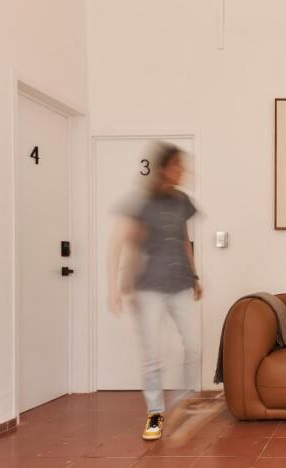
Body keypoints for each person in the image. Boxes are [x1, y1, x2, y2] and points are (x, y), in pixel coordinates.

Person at [107, 143, 202, 441]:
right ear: (164, 168)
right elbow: (119, 243)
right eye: (178, 165)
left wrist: (195, 276)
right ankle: (155, 413)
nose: (183, 171)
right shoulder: (140, 202)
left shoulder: (183, 201)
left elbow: (185, 239)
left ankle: (185, 399)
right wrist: (114, 286)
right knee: (152, 355)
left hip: (180, 283)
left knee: (193, 345)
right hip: (149, 287)